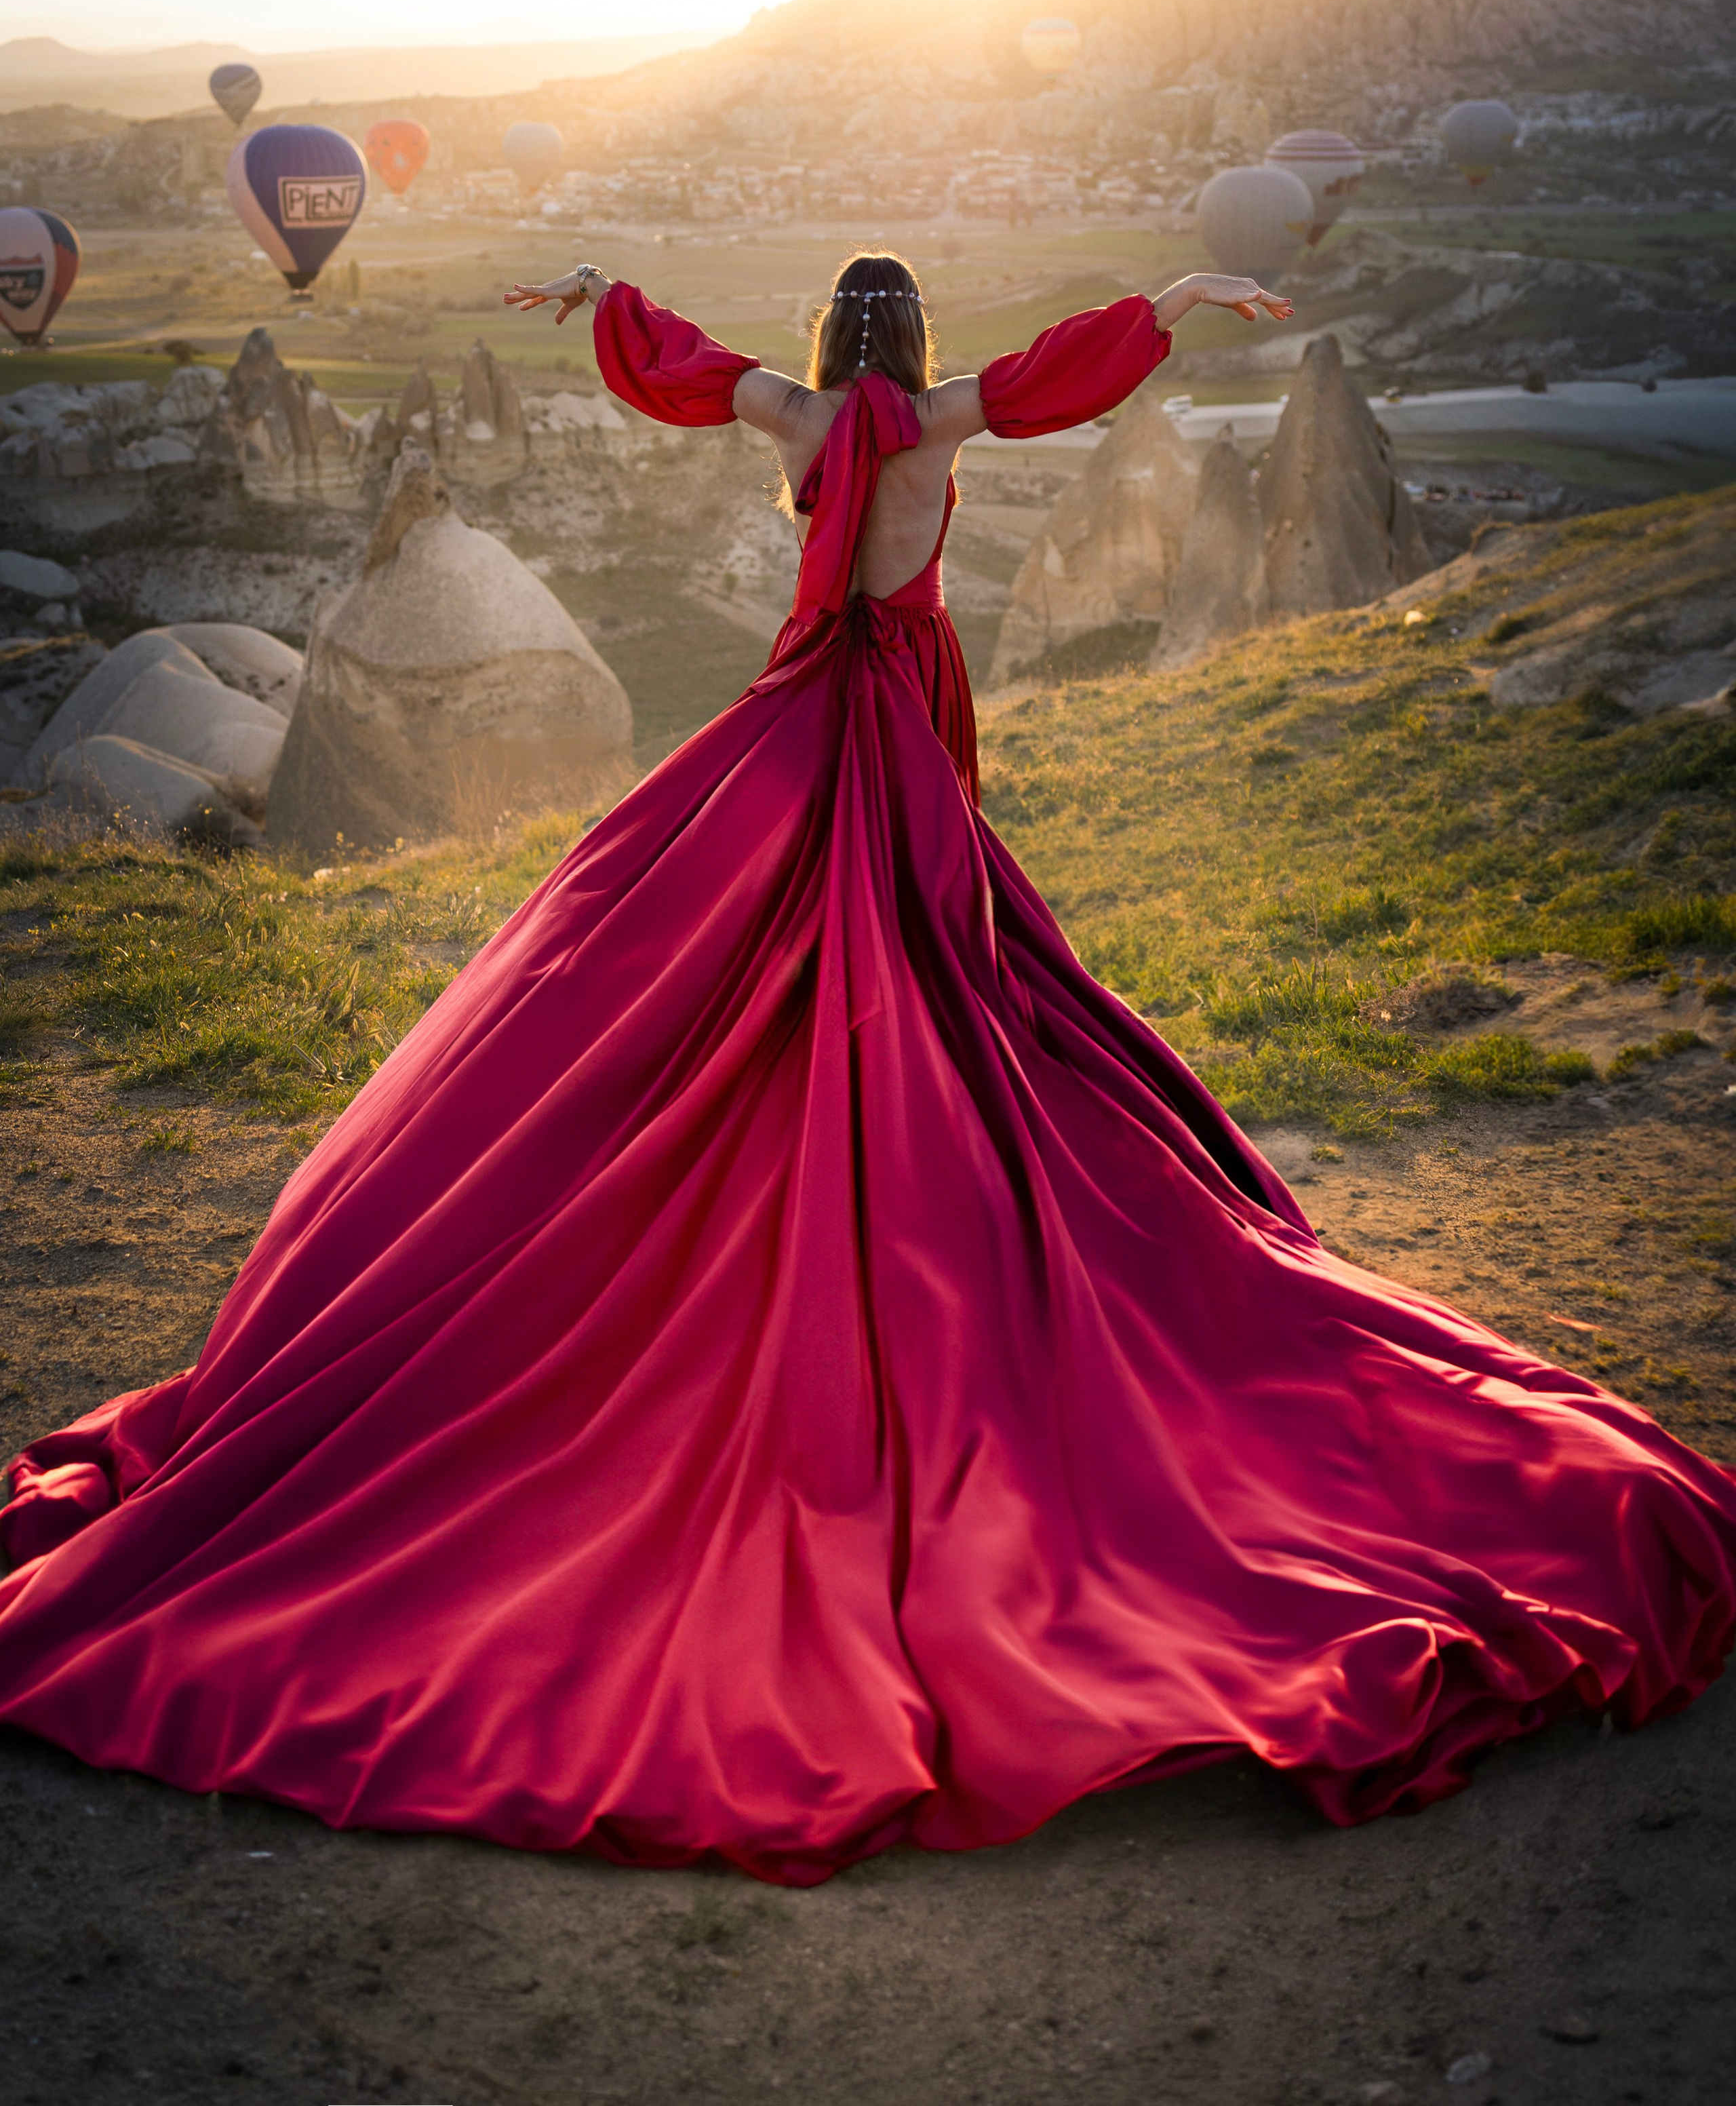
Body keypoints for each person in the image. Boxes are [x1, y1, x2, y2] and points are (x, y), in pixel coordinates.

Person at [1, 255, 1731, 1892]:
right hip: (900, 699)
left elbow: (677, 373)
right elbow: (1055, 377)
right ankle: (899, 1138)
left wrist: (601, 298)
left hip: (808, 706)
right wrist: (1173, 307)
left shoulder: (803, 424)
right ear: (913, 349)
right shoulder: (937, 422)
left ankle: (768, 1143)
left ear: (834, 346)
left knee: (694, 941)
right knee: (929, 953)